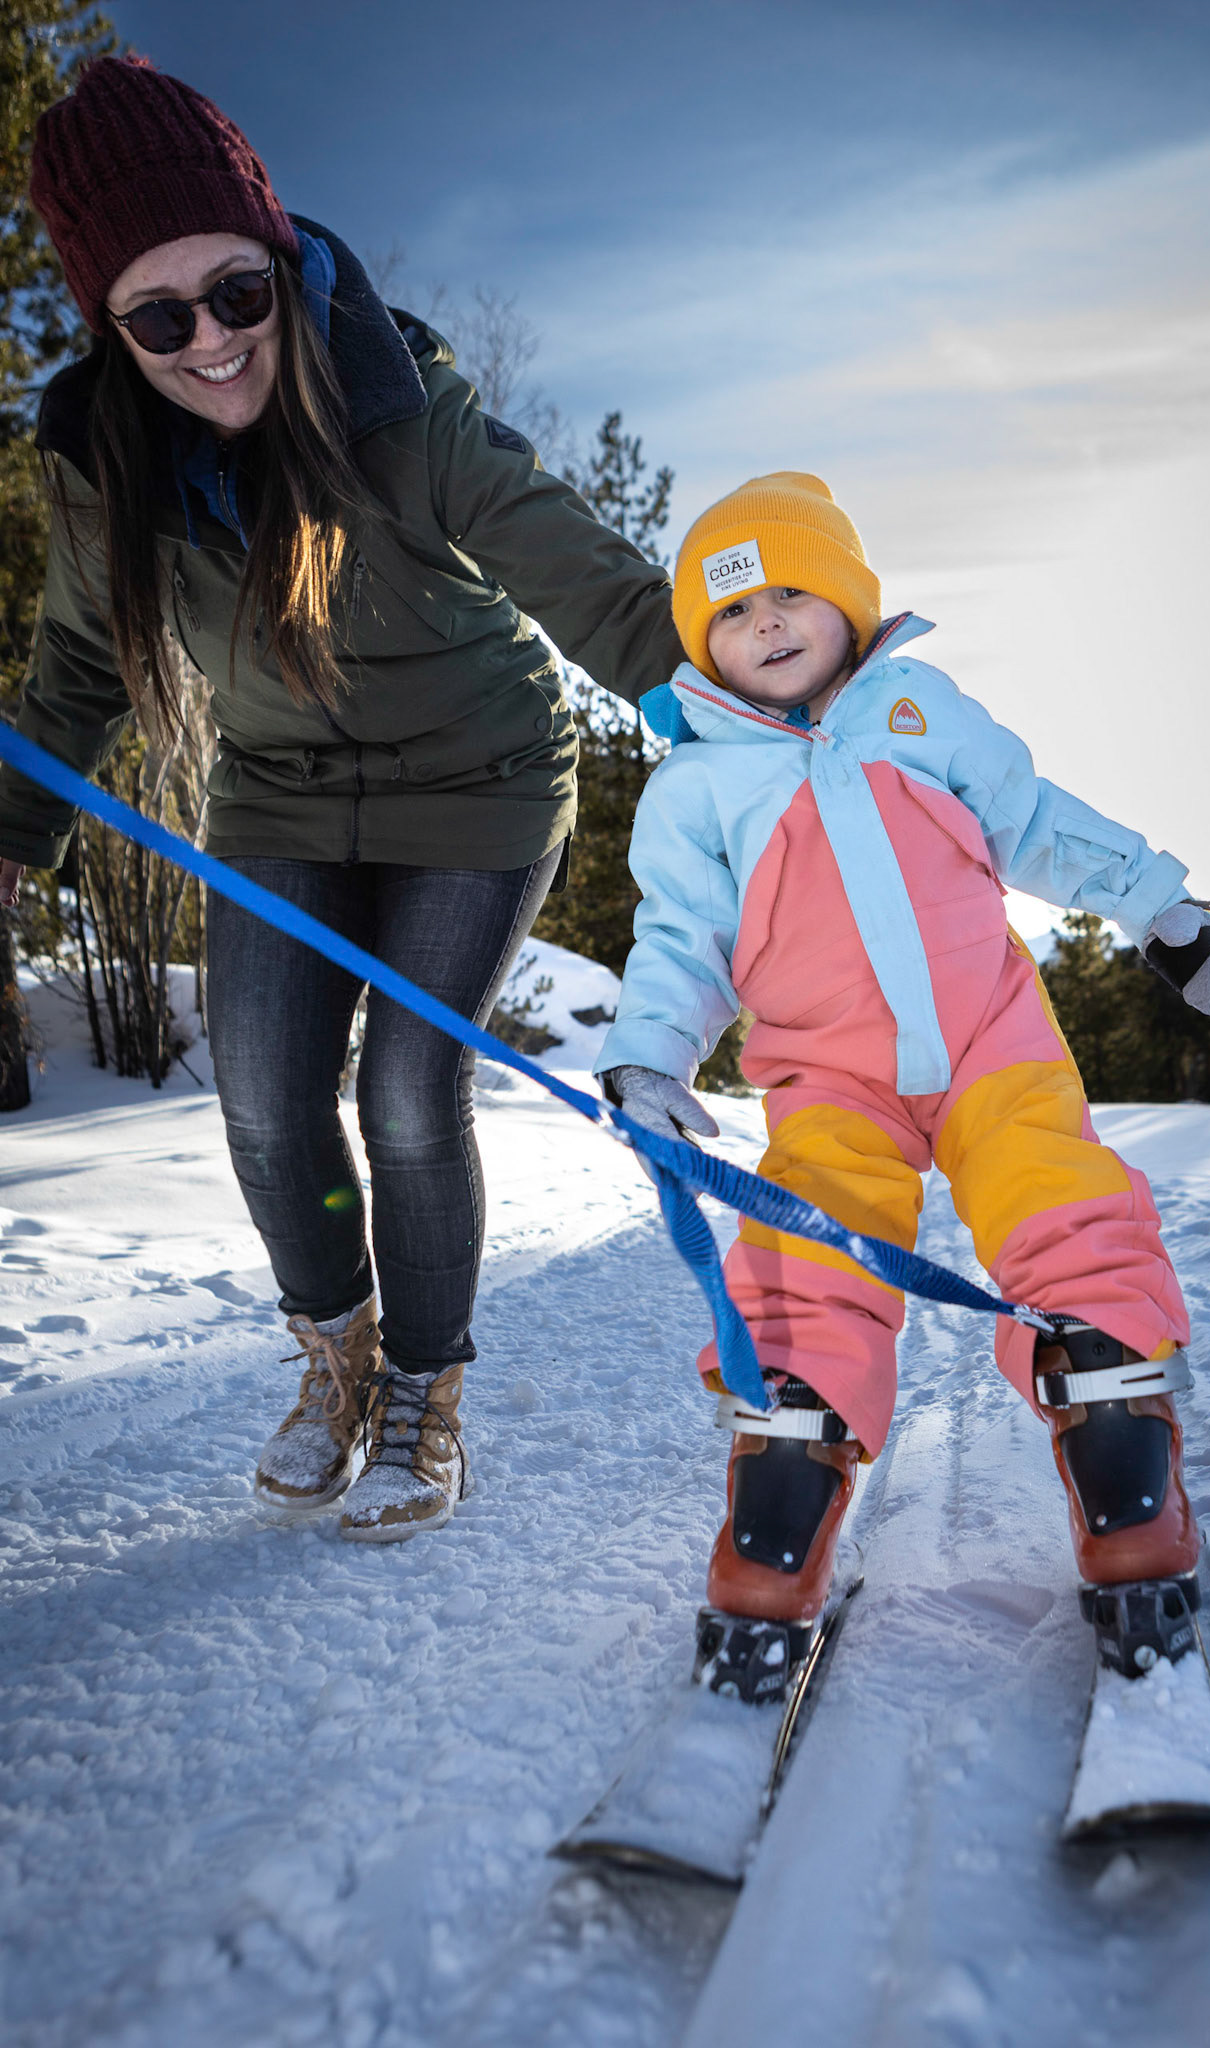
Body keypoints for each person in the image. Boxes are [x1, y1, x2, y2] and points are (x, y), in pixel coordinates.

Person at [0, 57, 683, 1543]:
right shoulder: (103, 465)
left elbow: (580, 569)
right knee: (261, 1099)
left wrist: (735, 706)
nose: (214, 343)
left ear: (279, 258)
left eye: (238, 293)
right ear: (108, 328)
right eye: (160, 317)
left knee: (408, 1096)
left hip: (480, 785)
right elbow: (71, 674)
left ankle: (427, 1399)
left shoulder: (398, 401)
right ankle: (340, 1355)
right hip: (282, 795)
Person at [596, 471, 1210, 1643]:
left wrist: (1163, 907)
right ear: (707, 644)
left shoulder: (917, 709)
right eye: (736, 612)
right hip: (828, 1074)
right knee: (812, 1227)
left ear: (851, 602)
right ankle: (790, 1452)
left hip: (991, 1038)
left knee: (1054, 1191)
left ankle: (1115, 1433)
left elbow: (1038, 820)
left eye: (792, 592)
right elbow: (679, 940)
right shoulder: (696, 783)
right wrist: (651, 1057)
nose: (769, 624)